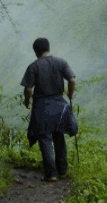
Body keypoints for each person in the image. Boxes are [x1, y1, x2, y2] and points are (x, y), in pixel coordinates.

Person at [21, 37, 77, 181]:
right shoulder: (61, 62)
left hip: (42, 107)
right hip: (59, 105)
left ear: (35, 51)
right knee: (59, 137)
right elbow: (71, 80)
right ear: (48, 48)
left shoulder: (34, 66)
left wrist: (27, 102)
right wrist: (70, 94)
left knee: (45, 138)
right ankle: (63, 170)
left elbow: (28, 89)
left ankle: (51, 174)